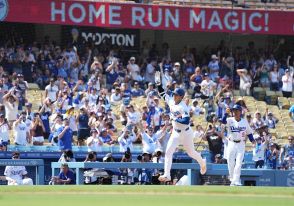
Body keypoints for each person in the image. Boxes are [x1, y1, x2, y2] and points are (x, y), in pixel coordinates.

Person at [158, 88, 206, 182]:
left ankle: (202, 162)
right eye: (174, 94)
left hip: (186, 133)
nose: (174, 96)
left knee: (191, 153)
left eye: (176, 95)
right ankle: (167, 175)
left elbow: (186, 121)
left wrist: (175, 119)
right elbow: (162, 93)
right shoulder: (171, 101)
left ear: (181, 97)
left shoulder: (183, 107)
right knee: (168, 152)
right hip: (175, 133)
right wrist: (159, 84)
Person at [222, 104, 255, 186]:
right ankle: (232, 179)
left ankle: (236, 180)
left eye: (237, 110)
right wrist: (226, 113)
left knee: (239, 162)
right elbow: (222, 121)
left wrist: (253, 141)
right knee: (230, 162)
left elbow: (249, 133)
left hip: (241, 144)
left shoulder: (244, 121)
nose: (235, 112)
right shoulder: (229, 120)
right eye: (233, 110)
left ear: (240, 112)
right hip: (231, 143)